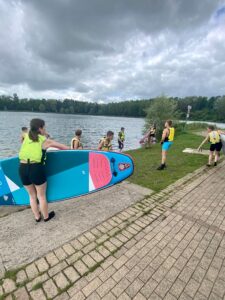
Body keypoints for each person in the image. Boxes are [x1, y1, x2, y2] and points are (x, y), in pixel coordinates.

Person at [19, 118, 69, 222]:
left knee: (32, 196)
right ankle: (46, 217)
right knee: (41, 196)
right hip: (36, 169)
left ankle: (37, 217)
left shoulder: (25, 136)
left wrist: (42, 132)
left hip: (22, 168)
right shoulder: (45, 141)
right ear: (40, 128)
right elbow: (64, 147)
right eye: (44, 127)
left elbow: (24, 136)